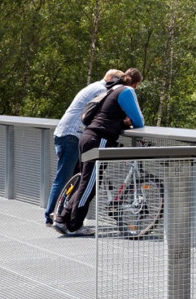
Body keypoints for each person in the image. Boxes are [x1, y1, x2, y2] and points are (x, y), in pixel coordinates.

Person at [54, 68, 144, 235]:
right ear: (136, 84)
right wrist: (128, 121)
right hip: (99, 138)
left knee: (85, 182)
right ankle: (74, 225)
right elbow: (139, 121)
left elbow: (108, 116)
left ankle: (62, 219)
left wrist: (122, 123)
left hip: (88, 136)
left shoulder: (111, 90)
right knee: (89, 185)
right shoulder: (127, 91)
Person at [44, 69, 125, 225]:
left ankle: (61, 214)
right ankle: (51, 216)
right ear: (112, 78)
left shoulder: (94, 87)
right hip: (72, 135)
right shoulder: (102, 90)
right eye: (119, 82)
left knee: (76, 177)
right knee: (65, 178)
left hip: (67, 134)